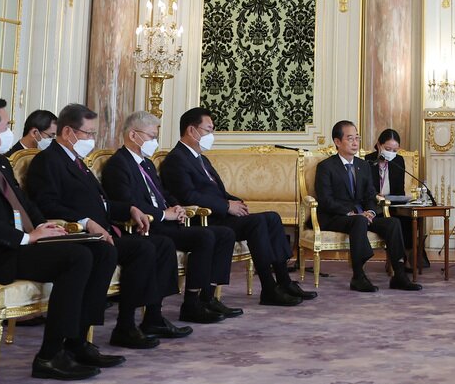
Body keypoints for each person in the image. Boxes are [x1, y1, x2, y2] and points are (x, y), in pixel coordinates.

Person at [0, 96, 120, 381]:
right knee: (77, 258)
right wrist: (26, 237)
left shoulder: (0, 163)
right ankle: (49, 355)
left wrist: (46, 225)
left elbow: (25, 204)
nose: (9, 131)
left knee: (101, 250)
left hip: (19, 244)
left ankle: (78, 342)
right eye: (6, 125)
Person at [24, 104, 188, 351]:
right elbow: (46, 204)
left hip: (103, 231)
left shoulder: (77, 161)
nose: (92, 139)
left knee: (160, 244)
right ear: (68, 132)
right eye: (88, 133)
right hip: (79, 235)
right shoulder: (48, 161)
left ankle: (137, 321)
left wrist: (130, 209)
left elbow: (100, 203)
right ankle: (95, 335)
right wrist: (85, 222)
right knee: (135, 250)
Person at [160, 108, 313, 306]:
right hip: (205, 219)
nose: (211, 136)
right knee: (257, 223)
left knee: (272, 218)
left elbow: (218, 192)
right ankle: (268, 288)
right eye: (208, 130)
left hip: (221, 214)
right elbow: (188, 196)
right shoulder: (176, 160)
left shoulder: (201, 159)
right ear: (191, 130)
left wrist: (235, 201)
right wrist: (226, 206)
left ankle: (284, 281)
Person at [100, 111, 240, 324]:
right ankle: (186, 306)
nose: (154, 142)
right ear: (133, 135)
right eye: (151, 137)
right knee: (204, 237)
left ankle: (204, 299)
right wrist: (163, 214)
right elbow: (127, 202)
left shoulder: (146, 163)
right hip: (148, 225)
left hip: (167, 221)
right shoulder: (118, 164)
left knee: (220, 233)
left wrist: (176, 206)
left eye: (155, 137)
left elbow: (161, 193)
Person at [313, 120, 421, 292]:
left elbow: (370, 195)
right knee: (359, 222)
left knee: (393, 223)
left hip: (361, 216)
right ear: (337, 141)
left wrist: (370, 211)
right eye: (350, 138)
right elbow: (326, 200)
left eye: (357, 138)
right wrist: (352, 213)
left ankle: (399, 275)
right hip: (336, 217)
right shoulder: (326, 167)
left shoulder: (362, 165)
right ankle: (358, 276)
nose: (355, 142)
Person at [363, 128, 427, 268]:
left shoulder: (398, 161)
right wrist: (376, 196)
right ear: (379, 145)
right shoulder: (367, 161)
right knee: (395, 221)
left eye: (394, 150)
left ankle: (410, 256)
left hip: (392, 205)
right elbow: (365, 190)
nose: (391, 153)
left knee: (411, 218)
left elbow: (399, 190)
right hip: (374, 207)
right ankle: (399, 260)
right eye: (387, 149)